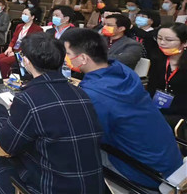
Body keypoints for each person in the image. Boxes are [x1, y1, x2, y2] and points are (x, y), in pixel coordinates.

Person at [0, 33, 104, 194]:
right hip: (90, 184)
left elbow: (9, 144)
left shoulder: (27, 99)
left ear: (26, 61)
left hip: (51, 186)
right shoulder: (81, 93)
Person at [63, 28, 182, 190]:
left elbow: (90, 136)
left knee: (71, 153)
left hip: (146, 171)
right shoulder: (122, 71)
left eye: (68, 54)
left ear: (83, 58)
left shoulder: (94, 95)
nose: (66, 59)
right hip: (168, 158)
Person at [152, 23, 187, 129]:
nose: (162, 43)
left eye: (169, 40)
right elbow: (152, 87)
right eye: (159, 38)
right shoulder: (158, 59)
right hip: (159, 107)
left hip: (181, 113)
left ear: (184, 42)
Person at [0, 8, 42, 77]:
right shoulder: (19, 26)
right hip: (14, 49)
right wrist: (10, 47)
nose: (23, 15)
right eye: (23, 13)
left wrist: (16, 54)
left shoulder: (37, 29)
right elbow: (14, 39)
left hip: (23, 53)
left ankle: (5, 78)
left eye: (26, 14)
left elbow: (32, 46)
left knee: (4, 61)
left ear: (32, 17)